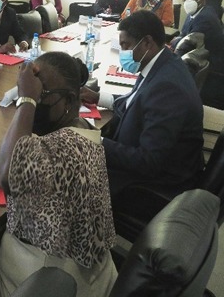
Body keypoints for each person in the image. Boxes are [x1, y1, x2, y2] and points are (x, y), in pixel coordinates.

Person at [0, 52, 116, 297]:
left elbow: (9, 175)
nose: (36, 101)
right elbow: (47, 176)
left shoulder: (63, 147)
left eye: (42, 95)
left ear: (69, 100)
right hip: (87, 277)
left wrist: (27, 99)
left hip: (47, 282)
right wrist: (10, 170)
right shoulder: (82, 130)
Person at [81, 10, 203, 197]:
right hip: (151, 165)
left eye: (126, 45)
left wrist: (96, 141)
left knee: (72, 177)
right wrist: (97, 97)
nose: (123, 52)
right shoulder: (163, 63)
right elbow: (136, 101)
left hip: (156, 183)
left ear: (147, 42)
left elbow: (149, 161)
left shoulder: (167, 87)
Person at [172, 0, 224, 109]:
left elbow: (187, 45)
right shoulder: (194, 14)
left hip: (210, 67)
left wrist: (176, 41)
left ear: (202, 0)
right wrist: (178, 41)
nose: (187, 1)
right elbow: (182, 36)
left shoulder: (205, 17)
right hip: (196, 58)